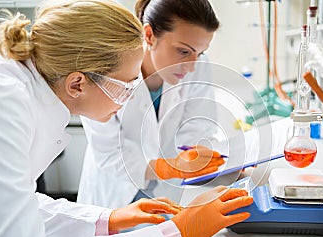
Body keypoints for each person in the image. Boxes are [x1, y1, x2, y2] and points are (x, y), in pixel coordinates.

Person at [0, 1, 253, 237]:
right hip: (111, 189)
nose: (130, 98)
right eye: (126, 88)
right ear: (77, 84)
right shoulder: (6, 107)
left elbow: (21, 205)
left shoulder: (24, 96)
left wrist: (106, 219)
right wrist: (177, 234)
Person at [78, 0, 223, 209]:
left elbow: (198, 126)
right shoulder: (108, 67)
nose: (191, 66)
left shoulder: (199, 66)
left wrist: (200, 158)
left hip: (167, 190)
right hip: (114, 190)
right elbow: (108, 151)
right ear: (149, 35)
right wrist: (167, 168)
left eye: (199, 53)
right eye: (183, 51)